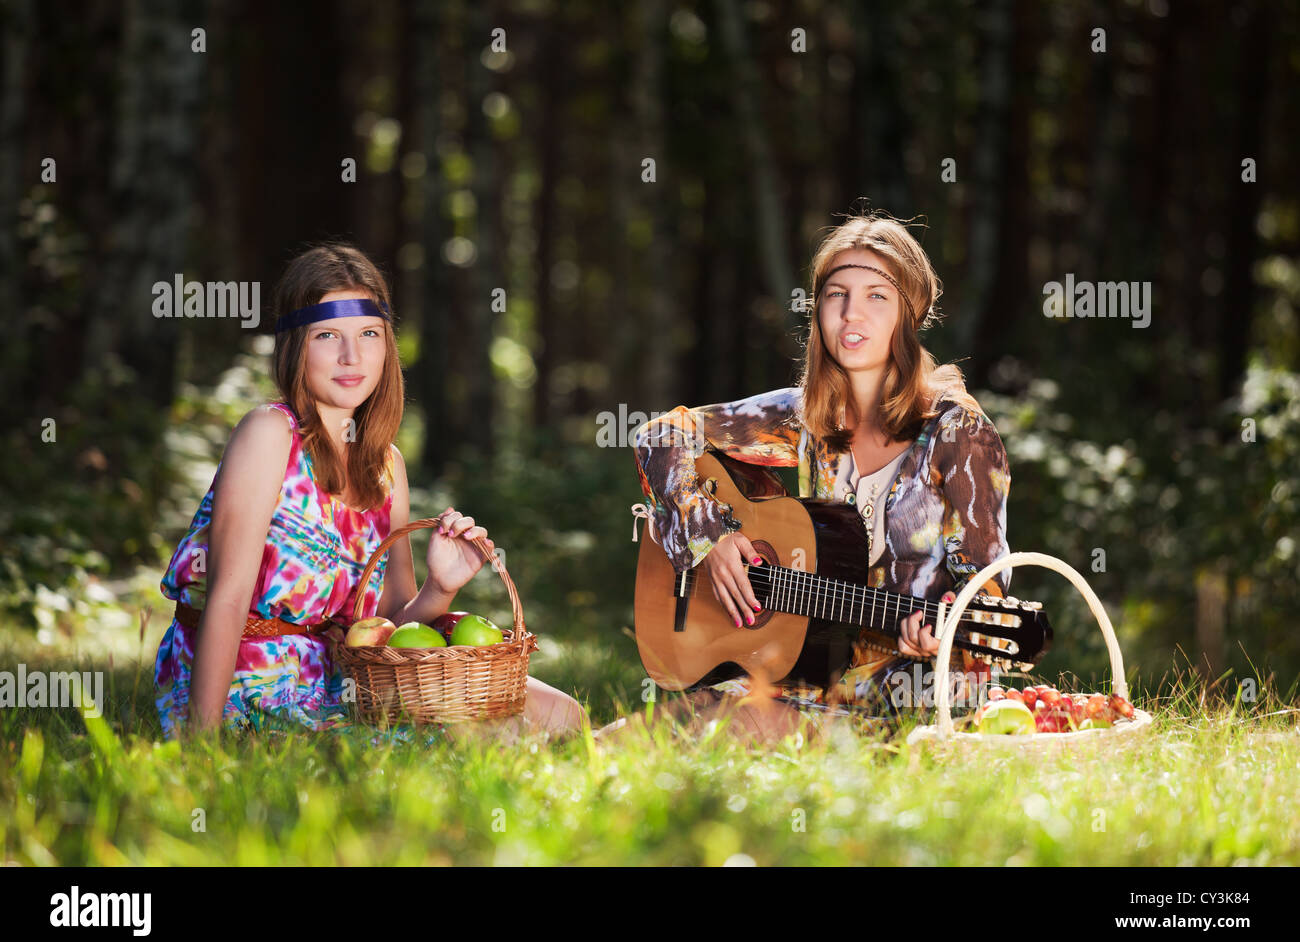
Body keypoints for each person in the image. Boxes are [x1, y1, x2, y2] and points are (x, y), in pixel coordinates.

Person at [153, 243, 586, 741]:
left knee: (563, 715)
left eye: (368, 334)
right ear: (297, 346)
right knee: (482, 737)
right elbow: (226, 600)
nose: (350, 356)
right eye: (328, 335)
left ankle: (683, 722)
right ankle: (675, 725)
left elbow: (390, 628)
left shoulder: (387, 467)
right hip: (249, 680)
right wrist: (202, 744)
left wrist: (440, 588)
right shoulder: (270, 434)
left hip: (343, 675)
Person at [616, 211, 1012, 744]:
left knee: (707, 732)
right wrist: (712, 537)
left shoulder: (957, 433)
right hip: (801, 676)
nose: (852, 314)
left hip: (909, 703)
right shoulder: (802, 417)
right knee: (638, 737)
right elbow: (659, 436)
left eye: (877, 296)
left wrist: (941, 634)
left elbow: (986, 597)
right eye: (835, 294)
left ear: (908, 314)